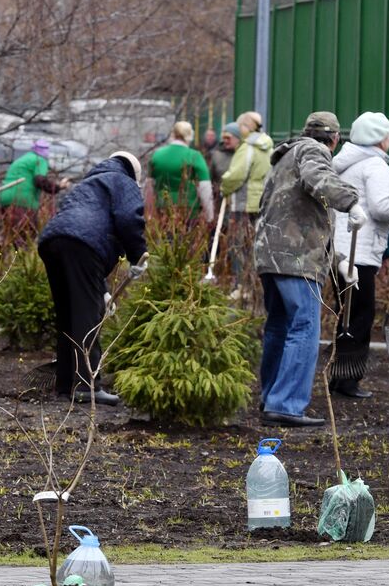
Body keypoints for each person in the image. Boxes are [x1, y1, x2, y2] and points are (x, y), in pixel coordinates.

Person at [253, 111, 362, 427]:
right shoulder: (314, 151)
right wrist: (351, 202)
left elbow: (296, 216)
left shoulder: (283, 159)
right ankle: (286, 405)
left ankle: (271, 397)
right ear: (335, 140)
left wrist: (338, 259)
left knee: (279, 326)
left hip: (271, 257)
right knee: (304, 328)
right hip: (296, 262)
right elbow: (320, 180)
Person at [36, 151, 148, 406]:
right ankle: (87, 386)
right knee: (88, 315)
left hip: (52, 242)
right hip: (81, 246)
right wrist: (139, 255)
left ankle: (64, 386)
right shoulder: (123, 181)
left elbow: (84, 229)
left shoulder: (88, 184)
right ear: (133, 173)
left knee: (67, 315)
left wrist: (103, 289)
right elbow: (129, 218)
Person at [327, 111, 389, 398]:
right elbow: (381, 208)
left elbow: (364, 211)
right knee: (360, 315)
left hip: (341, 252)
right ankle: (348, 381)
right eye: (388, 135)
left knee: (346, 314)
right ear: (380, 138)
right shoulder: (375, 166)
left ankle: (339, 376)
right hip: (359, 253)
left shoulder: (344, 165)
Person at [220, 111, 275, 288]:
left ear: (245, 127)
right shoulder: (268, 146)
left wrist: (224, 186)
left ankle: (242, 286)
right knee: (255, 246)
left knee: (238, 245)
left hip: (244, 203)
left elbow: (236, 175)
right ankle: (255, 287)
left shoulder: (247, 147)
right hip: (262, 202)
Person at [0, 138, 68, 240]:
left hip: (5, 198)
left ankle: (3, 254)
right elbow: (39, 180)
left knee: (8, 235)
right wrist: (58, 187)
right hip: (22, 200)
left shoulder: (24, 159)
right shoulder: (39, 160)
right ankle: (17, 255)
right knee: (25, 236)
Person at [149, 121, 214, 224]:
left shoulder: (157, 155)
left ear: (173, 134)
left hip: (162, 207)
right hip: (188, 210)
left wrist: (149, 211)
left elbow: (149, 186)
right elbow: (205, 187)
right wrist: (210, 215)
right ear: (190, 136)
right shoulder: (195, 156)